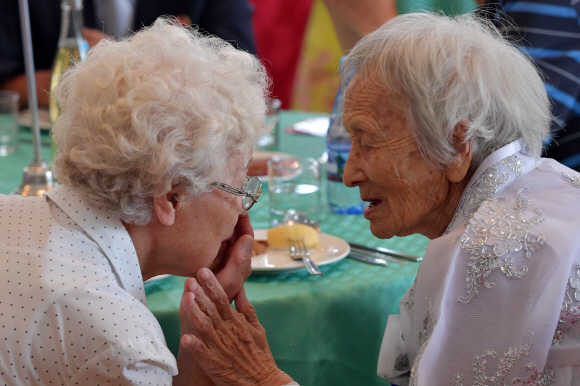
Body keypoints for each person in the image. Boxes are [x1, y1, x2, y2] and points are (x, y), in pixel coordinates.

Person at [176, 12, 580, 386]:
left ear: (458, 144)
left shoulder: (496, 248)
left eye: (367, 142)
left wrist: (263, 379)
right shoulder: (547, 182)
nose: (349, 173)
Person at [0, 18, 286, 385]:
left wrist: (200, 331)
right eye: (238, 188)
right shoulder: (125, 348)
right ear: (171, 197)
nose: (243, 210)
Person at [0, 0, 256, 107]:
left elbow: (242, 73)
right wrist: (75, 77)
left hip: (178, 143)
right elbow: (5, 80)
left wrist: (120, 66)